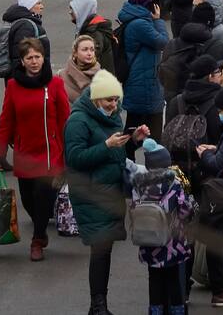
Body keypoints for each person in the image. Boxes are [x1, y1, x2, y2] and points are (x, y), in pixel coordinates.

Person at [65, 70, 150, 315]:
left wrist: (133, 139)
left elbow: (117, 149)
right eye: (108, 101)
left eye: (116, 99)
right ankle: (98, 306)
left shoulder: (112, 115)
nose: (114, 105)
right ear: (95, 99)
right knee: (100, 249)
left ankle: (98, 305)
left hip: (111, 191)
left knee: (105, 248)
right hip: (91, 194)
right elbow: (74, 158)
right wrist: (105, 146)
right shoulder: (78, 121)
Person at [0, 37, 69, 260]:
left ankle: (37, 240)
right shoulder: (14, 86)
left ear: (44, 58)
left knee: (44, 196)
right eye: (29, 58)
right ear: (22, 61)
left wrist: (68, 151)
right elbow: (6, 121)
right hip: (25, 153)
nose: (34, 61)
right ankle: (40, 228)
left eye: (37, 57)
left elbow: (65, 120)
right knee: (29, 200)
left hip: (51, 155)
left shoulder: (55, 84)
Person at [129, 139, 195, 315]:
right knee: (174, 279)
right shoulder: (174, 185)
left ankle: (155, 310)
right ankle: (177, 310)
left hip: (149, 241)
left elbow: (134, 209)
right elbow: (184, 210)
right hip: (172, 243)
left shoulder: (139, 185)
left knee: (154, 279)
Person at [119, 0, 169, 144]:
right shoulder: (140, 24)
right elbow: (162, 42)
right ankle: (133, 163)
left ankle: (130, 162)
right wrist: (159, 20)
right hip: (144, 84)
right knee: (142, 135)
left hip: (142, 81)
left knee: (135, 129)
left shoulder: (135, 18)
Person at [62, 34, 101, 103]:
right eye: (85, 50)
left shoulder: (102, 77)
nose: (89, 53)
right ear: (75, 53)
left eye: (92, 50)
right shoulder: (61, 76)